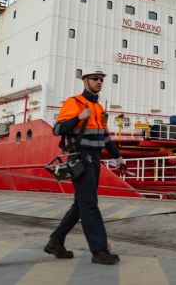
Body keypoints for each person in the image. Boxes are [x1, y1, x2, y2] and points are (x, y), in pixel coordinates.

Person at [44, 67, 125, 265]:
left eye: (101, 80)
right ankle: (99, 251)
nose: (99, 82)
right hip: (81, 157)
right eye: (95, 79)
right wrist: (77, 118)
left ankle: (56, 241)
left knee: (81, 204)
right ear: (85, 81)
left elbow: (105, 136)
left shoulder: (99, 108)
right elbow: (57, 129)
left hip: (94, 159)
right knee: (89, 204)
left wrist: (118, 156)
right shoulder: (75, 103)